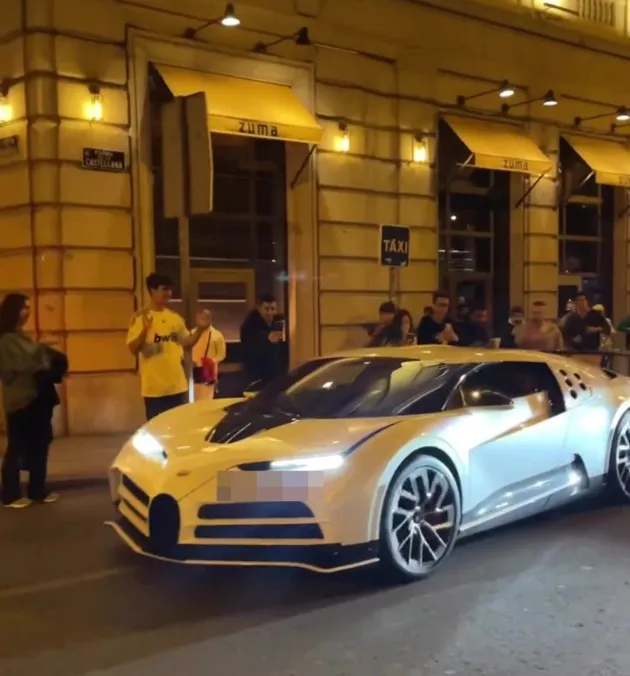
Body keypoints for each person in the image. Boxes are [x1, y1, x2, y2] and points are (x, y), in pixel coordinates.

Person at [0, 294, 65, 508]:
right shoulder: (7, 338)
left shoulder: (21, 336)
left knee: (39, 444)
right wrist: (44, 353)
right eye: (22, 308)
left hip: (36, 398)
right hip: (20, 400)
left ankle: (38, 490)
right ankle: (10, 494)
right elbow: (25, 362)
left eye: (28, 308)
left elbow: (35, 358)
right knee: (17, 447)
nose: (26, 312)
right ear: (12, 310)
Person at [127, 273, 211, 421]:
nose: (168, 293)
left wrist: (199, 329)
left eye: (170, 290)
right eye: (164, 289)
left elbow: (187, 343)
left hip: (177, 387)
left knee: (178, 429)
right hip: (154, 390)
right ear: (152, 291)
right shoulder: (141, 318)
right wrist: (144, 330)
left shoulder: (174, 318)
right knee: (157, 432)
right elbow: (133, 348)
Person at [240, 293, 284, 388]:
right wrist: (266, 338)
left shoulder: (279, 322)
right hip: (255, 373)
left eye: (273, 309)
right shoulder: (249, 325)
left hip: (276, 373)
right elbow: (249, 347)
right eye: (266, 309)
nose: (270, 313)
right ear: (259, 309)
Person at [191, 311, 226, 401]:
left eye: (203, 319)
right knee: (195, 397)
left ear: (209, 319)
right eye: (199, 319)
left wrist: (212, 361)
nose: (200, 322)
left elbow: (221, 354)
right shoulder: (192, 333)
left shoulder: (217, 335)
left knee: (207, 398)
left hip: (208, 370)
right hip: (194, 369)